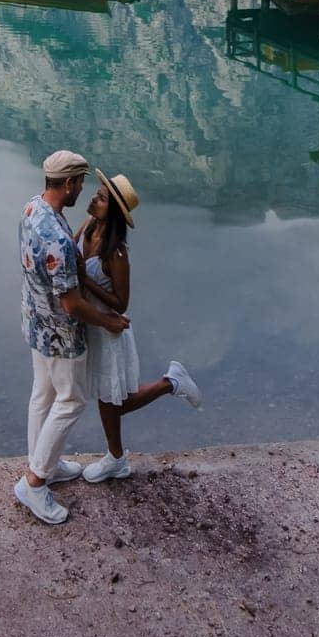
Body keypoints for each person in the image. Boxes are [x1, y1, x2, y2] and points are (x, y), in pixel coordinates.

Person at [15, 150, 131, 525]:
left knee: (42, 395)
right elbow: (72, 306)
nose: (83, 189)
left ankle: (42, 462)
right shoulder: (60, 241)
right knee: (71, 401)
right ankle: (34, 483)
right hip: (61, 336)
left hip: (34, 321)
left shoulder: (33, 209)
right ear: (68, 184)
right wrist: (107, 322)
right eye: (81, 183)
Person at [77, 170, 202, 484]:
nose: (94, 198)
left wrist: (85, 279)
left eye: (102, 198)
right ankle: (116, 457)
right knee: (108, 399)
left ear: (115, 211)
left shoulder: (116, 253)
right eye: (97, 193)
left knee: (111, 400)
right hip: (91, 325)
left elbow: (122, 303)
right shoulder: (87, 227)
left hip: (109, 330)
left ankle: (168, 384)